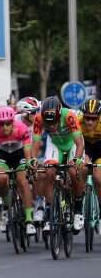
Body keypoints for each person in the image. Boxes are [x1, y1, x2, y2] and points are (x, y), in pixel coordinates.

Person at [33, 95, 86, 232]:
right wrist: (33, 159)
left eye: (54, 122)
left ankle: (78, 210)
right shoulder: (38, 119)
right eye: (48, 124)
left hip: (72, 144)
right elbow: (36, 143)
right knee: (49, 171)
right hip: (55, 145)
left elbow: (79, 143)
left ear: (59, 114)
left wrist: (76, 160)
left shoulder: (69, 116)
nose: (52, 127)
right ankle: (50, 211)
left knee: (74, 171)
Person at [0, 105, 35, 237]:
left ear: (13, 121)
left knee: (22, 181)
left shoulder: (22, 128)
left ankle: (30, 219)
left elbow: (27, 151)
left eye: (8, 123)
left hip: (19, 156)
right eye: (2, 124)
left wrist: (29, 163)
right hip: (3, 157)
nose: (5, 127)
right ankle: (7, 208)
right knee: (0, 178)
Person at [81, 99, 101, 199]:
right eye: (87, 118)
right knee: (82, 169)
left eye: (93, 119)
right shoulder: (78, 121)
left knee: (98, 178)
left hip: (99, 149)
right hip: (86, 147)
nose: (89, 122)